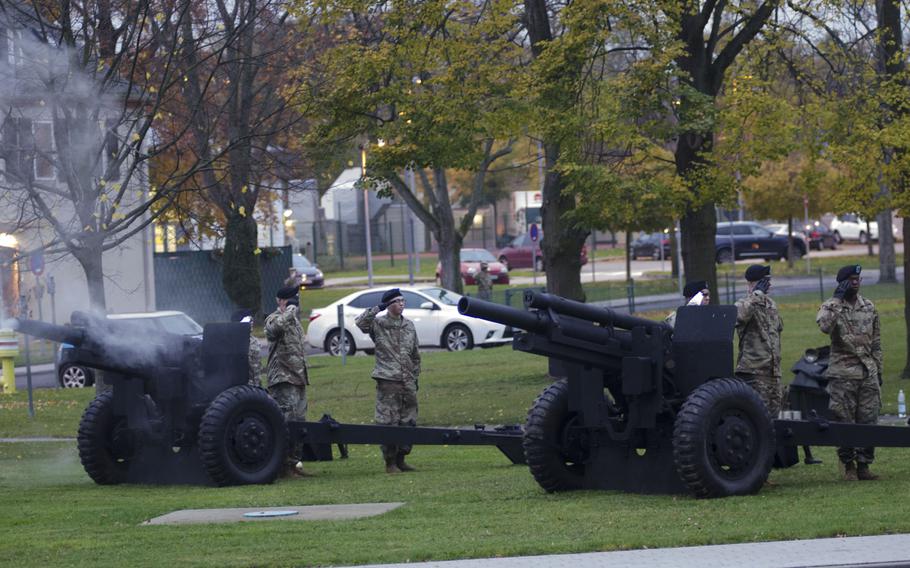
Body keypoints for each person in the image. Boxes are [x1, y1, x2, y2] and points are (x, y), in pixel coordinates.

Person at [816, 264, 882, 481]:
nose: (856, 282)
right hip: (843, 374)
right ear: (842, 282)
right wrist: (836, 299)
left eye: (858, 278)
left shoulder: (869, 307)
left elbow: (876, 343)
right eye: (851, 279)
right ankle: (849, 465)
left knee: (869, 420)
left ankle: (864, 465)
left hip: (867, 373)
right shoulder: (831, 306)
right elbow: (824, 326)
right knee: (844, 421)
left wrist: (878, 370)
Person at [355, 288, 421, 474]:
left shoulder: (408, 325)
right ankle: (390, 462)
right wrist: (378, 308)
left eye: (403, 300)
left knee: (408, 420)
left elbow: (415, 354)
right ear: (389, 304)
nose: (401, 304)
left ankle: (401, 459)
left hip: (407, 380)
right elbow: (360, 322)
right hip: (388, 380)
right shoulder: (379, 324)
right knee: (388, 422)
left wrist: (415, 376)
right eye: (397, 301)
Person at [265, 285, 310, 478]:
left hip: (298, 377)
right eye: (291, 301)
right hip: (282, 378)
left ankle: (294, 464)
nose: (295, 305)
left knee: (299, 423)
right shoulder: (274, 318)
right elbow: (273, 331)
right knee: (286, 422)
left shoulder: (295, 322)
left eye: (296, 301)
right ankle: (283, 465)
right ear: (281, 301)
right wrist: (289, 311)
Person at [734, 265, 783, 419]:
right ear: (753, 284)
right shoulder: (743, 304)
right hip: (753, 372)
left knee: (774, 418)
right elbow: (739, 316)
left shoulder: (771, 305)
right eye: (766, 282)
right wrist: (757, 294)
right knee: (757, 419)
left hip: (773, 372)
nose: (770, 285)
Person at [231, 309, 262, 387]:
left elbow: (256, 368)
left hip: (254, 384)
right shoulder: (232, 341)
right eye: (248, 320)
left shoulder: (254, 341)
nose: (251, 323)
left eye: (252, 320)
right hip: (239, 386)